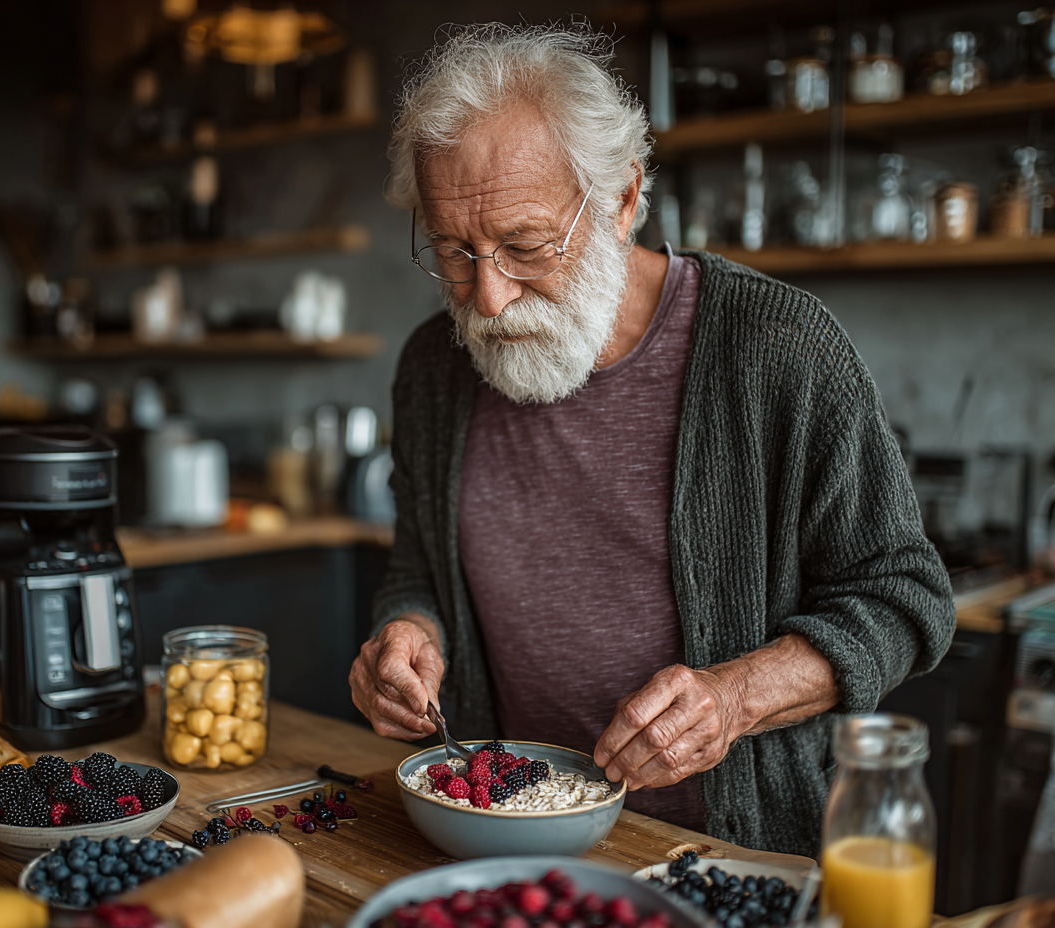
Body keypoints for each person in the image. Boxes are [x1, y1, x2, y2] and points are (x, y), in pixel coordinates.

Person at [348, 22, 956, 857]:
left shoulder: (778, 345)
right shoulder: (433, 366)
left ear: (625, 199)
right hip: (507, 843)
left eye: (524, 247)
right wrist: (409, 635)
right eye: (453, 252)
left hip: (729, 856)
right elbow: (418, 570)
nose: (486, 299)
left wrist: (734, 697)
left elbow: (906, 599)